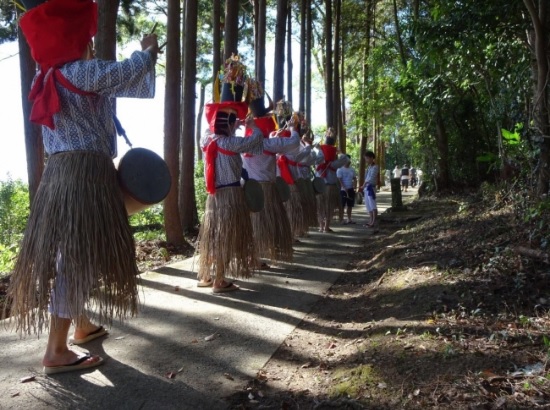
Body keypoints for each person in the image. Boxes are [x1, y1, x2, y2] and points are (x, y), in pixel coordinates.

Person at [4, 0, 160, 374]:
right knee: (77, 258)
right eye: (86, 36)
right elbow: (131, 73)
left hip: (59, 176)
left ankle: (81, 324)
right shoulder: (82, 72)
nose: (90, 42)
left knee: (75, 251)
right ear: (75, 40)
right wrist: (148, 49)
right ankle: (56, 351)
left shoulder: (45, 77)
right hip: (86, 174)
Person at [198, 102, 264, 292]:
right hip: (231, 197)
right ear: (228, 123)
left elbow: (210, 130)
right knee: (227, 238)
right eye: (233, 120)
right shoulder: (231, 143)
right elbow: (256, 139)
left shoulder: (206, 140)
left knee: (213, 237)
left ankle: (207, 276)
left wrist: (230, 125)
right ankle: (220, 281)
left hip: (214, 198)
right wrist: (252, 127)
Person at [242, 115, 299, 266]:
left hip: (250, 189)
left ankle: (253, 255)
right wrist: (293, 128)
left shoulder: (245, 143)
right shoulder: (269, 144)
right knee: (263, 223)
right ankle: (257, 256)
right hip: (267, 189)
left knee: (252, 224)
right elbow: (294, 143)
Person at [314, 129, 349, 233]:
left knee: (320, 207)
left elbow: (317, 155)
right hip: (330, 187)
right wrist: (340, 152)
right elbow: (346, 159)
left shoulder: (318, 162)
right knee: (329, 207)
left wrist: (320, 149)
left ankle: (321, 226)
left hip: (319, 187)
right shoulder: (334, 164)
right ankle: (326, 227)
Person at [336, 155, 357, 224]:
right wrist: (344, 187)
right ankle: (341, 219)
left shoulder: (352, 169)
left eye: (349, 160)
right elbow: (339, 179)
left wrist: (354, 186)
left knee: (350, 205)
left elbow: (354, 178)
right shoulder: (340, 169)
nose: (349, 162)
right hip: (343, 190)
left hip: (350, 188)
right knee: (342, 205)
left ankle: (349, 218)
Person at [361, 151, 379, 229]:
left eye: (367, 158)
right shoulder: (368, 167)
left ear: (372, 158)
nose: (366, 160)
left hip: (371, 187)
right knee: (368, 205)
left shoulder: (375, 167)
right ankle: (370, 220)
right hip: (366, 188)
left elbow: (371, 178)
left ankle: (373, 221)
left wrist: (364, 184)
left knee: (372, 204)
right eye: (365, 158)